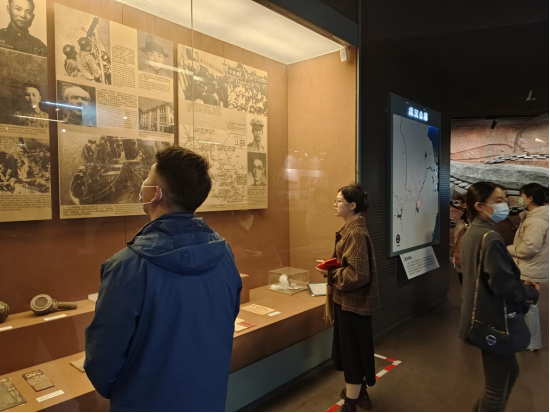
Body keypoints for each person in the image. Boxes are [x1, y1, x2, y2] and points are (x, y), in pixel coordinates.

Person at [85, 146, 242, 412]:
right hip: (207, 395)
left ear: (155, 194)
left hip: (144, 401)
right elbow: (228, 317)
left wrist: (126, 389)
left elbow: (104, 358)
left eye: (147, 180)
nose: (143, 185)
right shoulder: (224, 253)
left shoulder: (128, 266)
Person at [459, 182, 540, 412]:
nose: (504, 204)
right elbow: (503, 286)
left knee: (510, 373)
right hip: (493, 322)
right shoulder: (490, 237)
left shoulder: (472, 232)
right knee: (495, 391)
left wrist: (517, 283)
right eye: (498, 201)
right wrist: (531, 292)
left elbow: (487, 277)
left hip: (480, 317)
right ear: (479, 206)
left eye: (504, 199)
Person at [316, 184, 380, 413]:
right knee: (355, 350)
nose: (334, 205)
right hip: (350, 303)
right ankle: (361, 394)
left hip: (352, 304)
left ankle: (350, 404)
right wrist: (333, 266)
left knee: (352, 354)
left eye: (339, 201)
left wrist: (331, 274)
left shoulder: (355, 233)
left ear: (352, 206)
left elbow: (358, 274)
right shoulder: (352, 230)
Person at [508, 183, 549, 352]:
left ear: (530, 198)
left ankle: (531, 342)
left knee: (528, 306)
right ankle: (527, 339)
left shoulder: (536, 221)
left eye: (522, 195)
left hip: (529, 269)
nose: (520, 198)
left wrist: (509, 249)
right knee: (526, 304)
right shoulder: (535, 217)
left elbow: (529, 248)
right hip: (530, 267)